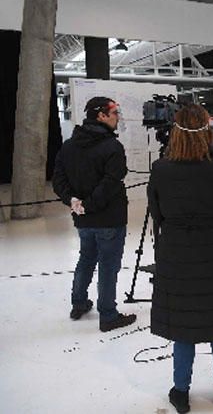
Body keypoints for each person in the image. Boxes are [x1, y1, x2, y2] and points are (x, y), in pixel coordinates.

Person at [147, 104, 213, 413]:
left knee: (183, 325)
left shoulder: (160, 169)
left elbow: (157, 213)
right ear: (207, 132)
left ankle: (180, 391)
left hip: (176, 253)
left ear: (175, 133)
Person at [52, 96, 136, 332]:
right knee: (108, 266)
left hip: (82, 217)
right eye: (114, 113)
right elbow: (110, 183)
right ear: (101, 116)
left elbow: (59, 179)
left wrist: (73, 201)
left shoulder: (69, 145)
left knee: (86, 258)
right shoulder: (112, 147)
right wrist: (86, 204)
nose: (117, 117)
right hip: (108, 219)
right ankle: (108, 315)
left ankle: (79, 303)